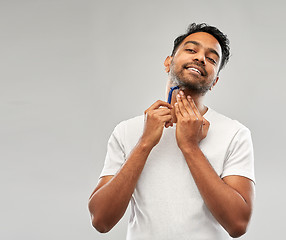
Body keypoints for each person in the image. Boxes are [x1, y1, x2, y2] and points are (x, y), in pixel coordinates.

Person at [88, 23, 255, 240]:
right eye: (191, 50)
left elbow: (238, 224)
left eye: (212, 58)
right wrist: (145, 143)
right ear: (168, 63)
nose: (200, 58)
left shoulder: (235, 133)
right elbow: (101, 220)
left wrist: (190, 147)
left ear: (215, 81)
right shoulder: (127, 131)